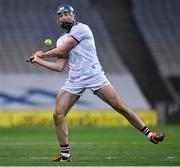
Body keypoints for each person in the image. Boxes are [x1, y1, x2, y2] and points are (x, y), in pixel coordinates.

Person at [28, 4, 164, 162]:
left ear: (73, 16)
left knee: (120, 107)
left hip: (94, 75)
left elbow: (62, 51)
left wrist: (41, 54)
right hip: (75, 79)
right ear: (58, 19)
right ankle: (65, 155)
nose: (64, 17)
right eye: (61, 15)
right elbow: (59, 67)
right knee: (58, 114)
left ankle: (150, 135)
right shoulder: (60, 40)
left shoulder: (82, 29)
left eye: (67, 14)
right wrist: (38, 61)